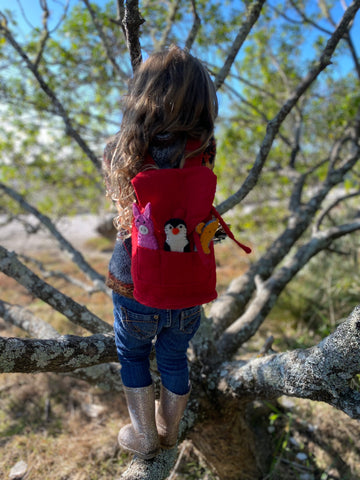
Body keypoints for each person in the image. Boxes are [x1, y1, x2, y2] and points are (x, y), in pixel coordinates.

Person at [103, 45, 218, 460]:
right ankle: (169, 432)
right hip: (188, 280)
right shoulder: (204, 148)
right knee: (174, 354)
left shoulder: (119, 148)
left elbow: (121, 212)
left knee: (132, 352)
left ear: (141, 94)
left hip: (134, 283)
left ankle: (144, 437)